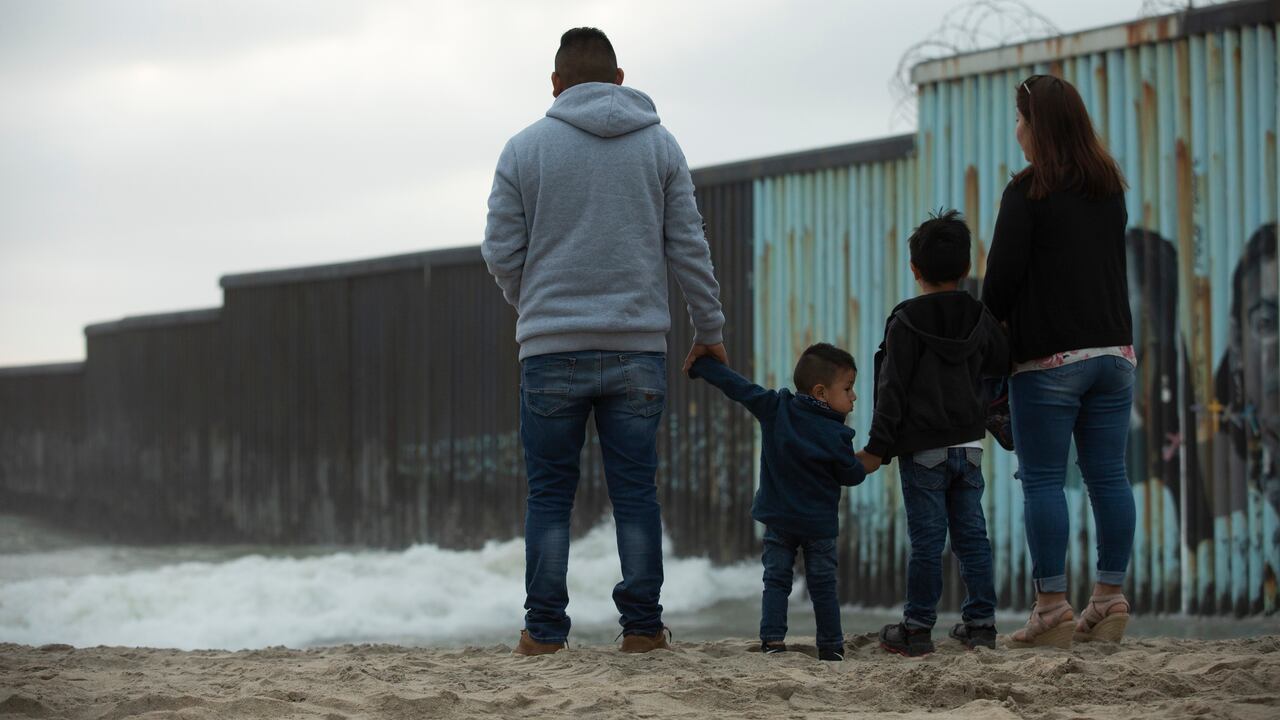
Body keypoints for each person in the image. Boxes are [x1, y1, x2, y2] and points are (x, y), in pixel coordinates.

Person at [482, 27, 727, 655]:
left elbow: (501, 252)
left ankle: (543, 634)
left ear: (556, 84)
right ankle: (643, 630)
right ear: (620, 80)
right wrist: (710, 330)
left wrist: (534, 308)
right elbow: (689, 249)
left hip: (548, 351)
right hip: (638, 350)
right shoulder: (660, 146)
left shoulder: (523, 149)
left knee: (550, 496)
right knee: (636, 493)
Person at [981, 74, 1135, 648]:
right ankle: (1110, 599)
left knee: (1043, 480)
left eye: (1020, 119)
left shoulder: (1027, 193)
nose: (1016, 130)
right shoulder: (1109, 187)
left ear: (1038, 126)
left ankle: (1051, 609)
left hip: (1049, 360)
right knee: (1109, 478)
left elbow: (998, 288)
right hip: (1115, 354)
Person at [855, 210, 1008, 657]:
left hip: (923, 451)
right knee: (971, 536)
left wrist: (876, 450)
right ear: (965, 269)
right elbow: (1000, 364)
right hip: (969, 445)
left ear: (915, 270)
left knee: (927, 540)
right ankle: (981, 624)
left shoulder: (905, 321)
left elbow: (892, 390)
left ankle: (918, 628)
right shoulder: (980, 318)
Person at [689, 343, 866, 662]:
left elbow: (739, 388)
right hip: (818, 527)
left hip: (779, 520)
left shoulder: (776, 407)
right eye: (849, 388)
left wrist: (705, 366)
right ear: (821, 393)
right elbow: (850, 474)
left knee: (775, 580)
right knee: (823, 585)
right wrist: (868, 462)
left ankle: (772, 641)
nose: (854, 396)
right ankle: (831, 646)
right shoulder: (836, 435)